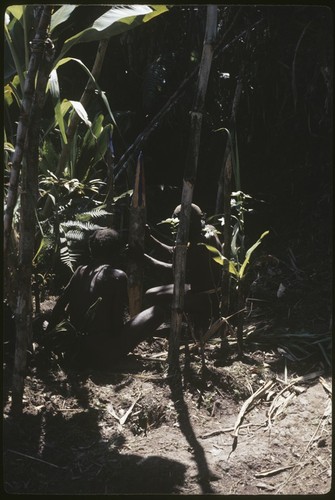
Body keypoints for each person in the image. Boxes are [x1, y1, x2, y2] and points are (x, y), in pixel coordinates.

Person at [45, 228, 165, 368]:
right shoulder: (118, 276)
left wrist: (48, 339)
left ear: (91, 250)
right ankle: (111, 359)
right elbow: (116, 324)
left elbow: (59, 306)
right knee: (157, 312)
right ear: (118, 252)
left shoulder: (80, 271)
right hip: (103, 354)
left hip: (76, 350)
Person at [144, 204, 223, 333]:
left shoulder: (199, 243)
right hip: (205, 292)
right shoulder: (207, 230)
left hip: (205, 299)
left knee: (151, 295)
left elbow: (175, 270)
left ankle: (179, 325)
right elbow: (176, 252)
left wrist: (145, 259)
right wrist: (150, 239)